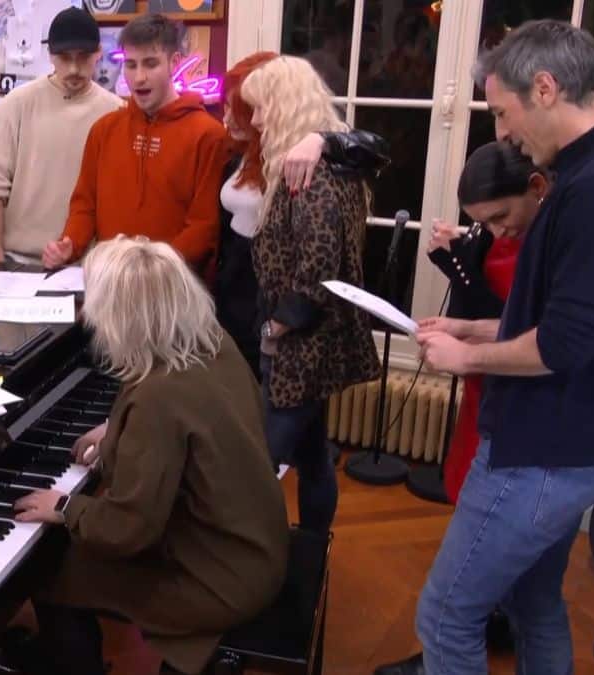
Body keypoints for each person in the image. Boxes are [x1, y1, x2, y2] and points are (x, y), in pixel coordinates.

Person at [414, 20, 594, 675]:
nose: (501, 133)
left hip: (541, 452)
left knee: (445, 616)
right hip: (570, 447)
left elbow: (564, 342)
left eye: (502, 111)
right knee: (535, 604)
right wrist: (472, 330)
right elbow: (564, 317)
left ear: (547, 88)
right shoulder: (587, 173)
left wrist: (466, 358)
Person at [12, 236, 289, 675]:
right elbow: (191, 426)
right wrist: (119, 431)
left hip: (216, 579)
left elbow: (128, 529)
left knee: (45, 571)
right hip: (256, 546)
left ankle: (73, 664)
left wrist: (65, 506)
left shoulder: (158, 398)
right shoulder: (212, 342)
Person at [373, 141, 543, 675]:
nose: (493, 229)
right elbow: (483, 309)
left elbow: (518, 326)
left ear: (535, 189)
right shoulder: (501, 234)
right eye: (482, 222)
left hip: (513, 391)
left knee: (492, 538)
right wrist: (457, 263)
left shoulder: (543, 246)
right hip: (485, 386)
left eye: (498, 217)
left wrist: (459, 271)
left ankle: (468, 633)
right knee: (474, 499)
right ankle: (482, 621)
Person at [232, 55, 381, 534]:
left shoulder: (310, 174)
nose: (253, 120)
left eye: (259, 109)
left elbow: (316, 269)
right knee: (313, 454)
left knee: (257, 464)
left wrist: (279, 324)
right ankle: (313, 550)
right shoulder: (322, 158)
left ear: (283, 105)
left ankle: (250, 565)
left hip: (302, 343)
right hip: (313, 340)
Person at [214, 50, 389, 379]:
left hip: (269, 296)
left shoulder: (304, 161)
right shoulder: (244, 153)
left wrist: (322, 139)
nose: (231, 118)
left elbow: (374, 150)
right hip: (233, 285)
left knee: (273, 408)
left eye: (238, 108)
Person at [42, 13, 229, 268]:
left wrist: (153, 270)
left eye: (150, 64)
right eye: (131, 64)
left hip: (175, 290)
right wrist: (70, 244)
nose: (139, 77)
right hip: (111, 284)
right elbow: (84, 205)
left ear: (174, 62)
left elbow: (204, 227)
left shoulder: (208, 135)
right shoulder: (104, 130)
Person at [0, 7, 124, 263]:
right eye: (65, 58)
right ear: (50, 55)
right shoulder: (15, 105)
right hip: (18, 261)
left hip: (88, 264)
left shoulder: (117, 112)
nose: (74, 68)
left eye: (83, 57)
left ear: (98, 54)